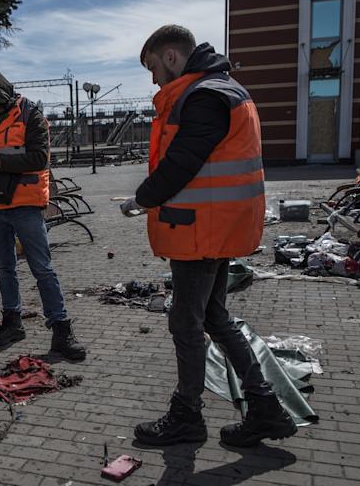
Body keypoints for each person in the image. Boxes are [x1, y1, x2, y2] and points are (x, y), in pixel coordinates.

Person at [120, 25, 296, 447]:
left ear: (172, 57)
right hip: (216, 227)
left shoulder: (202, 96)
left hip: (200, 230)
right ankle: (266, 408)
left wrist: (141, 199)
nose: (153, 79)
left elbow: (184, 161)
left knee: (186, 321)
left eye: (153, 67)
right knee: (214, 317)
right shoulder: (225, 89)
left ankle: (187, 416)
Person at [0, 63, 86, 361]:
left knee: (42, 268)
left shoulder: (31, 116)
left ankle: (61, 329)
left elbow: (39, 158)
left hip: (25, 205)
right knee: (4, 268)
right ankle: (12, 323)